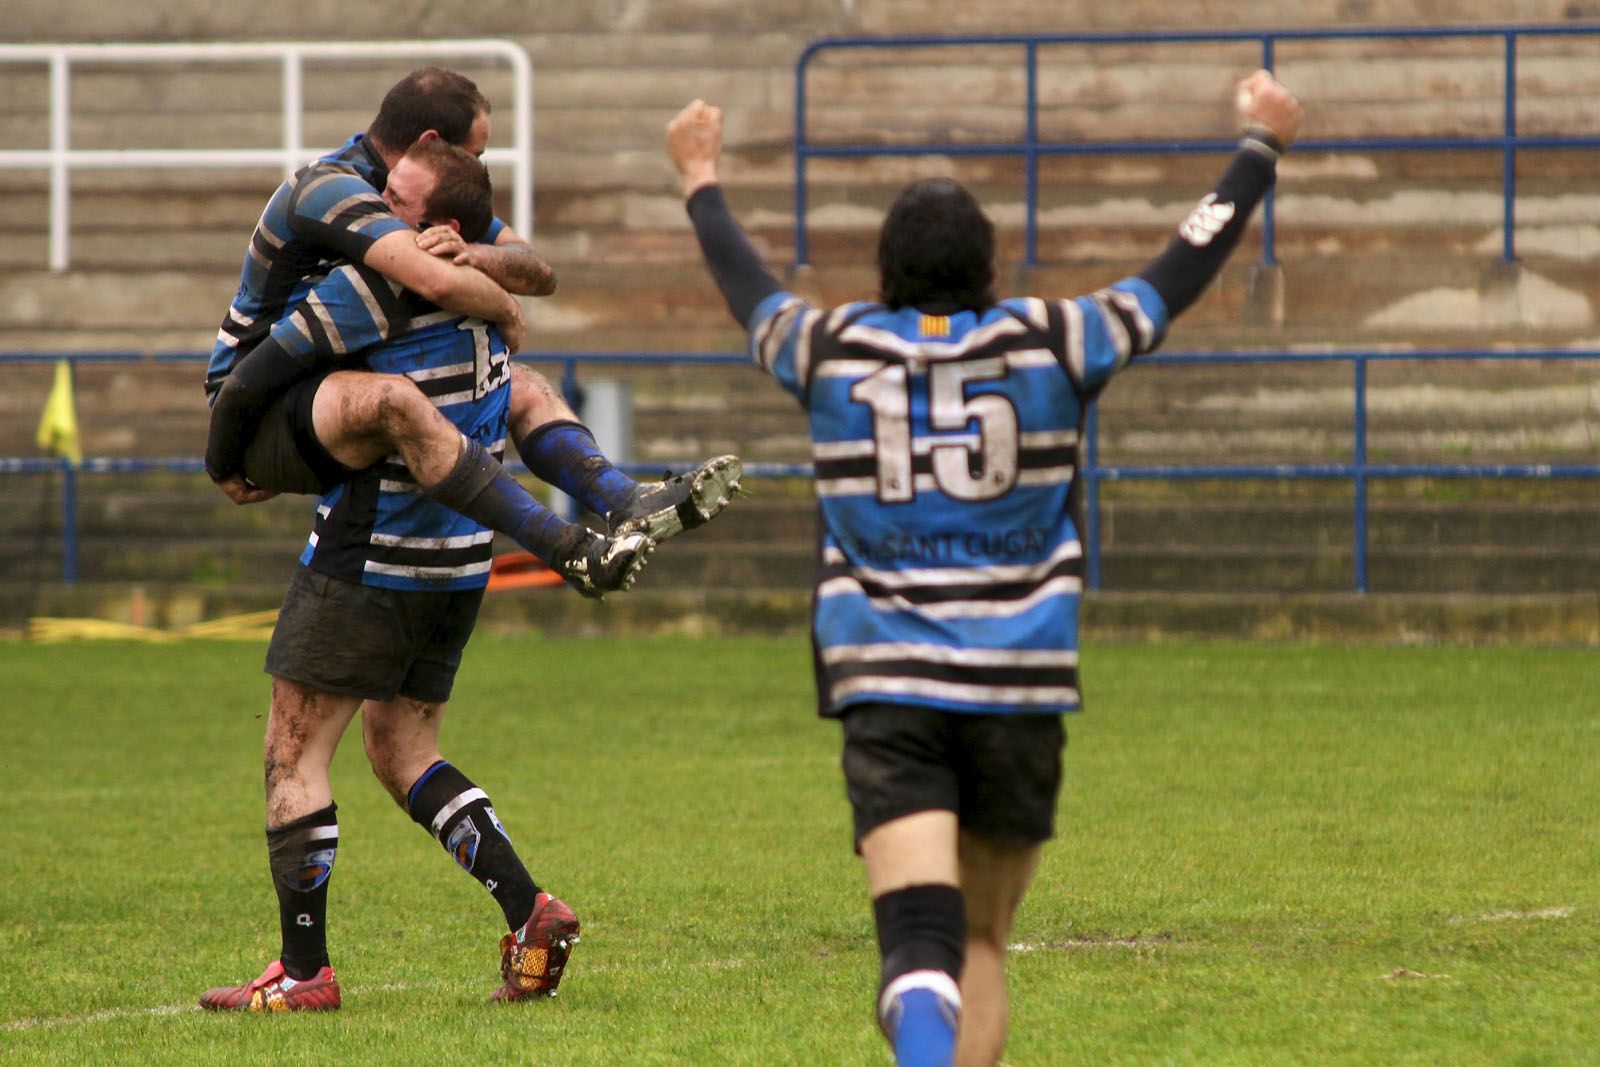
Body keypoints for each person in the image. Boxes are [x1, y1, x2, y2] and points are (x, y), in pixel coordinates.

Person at [666, 70, 1303, 1067]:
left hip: (887, 684)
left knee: (916, 944)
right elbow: (1181, 265)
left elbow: (748, 291)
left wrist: (700, 177)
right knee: (980, 939)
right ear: (989, 265)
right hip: (1019, 683)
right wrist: (1257, 149)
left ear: (883, 269)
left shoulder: (831, 347)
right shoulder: (1055, 338)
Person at [201, 141, 589, 1013]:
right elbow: (521, 289)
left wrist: (231, 448)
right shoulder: (478, 298)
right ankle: (532, 911)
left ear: (443, 228)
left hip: (372, 551)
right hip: (457, 562)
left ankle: (305, 974)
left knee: (292, 753)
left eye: (395, 198)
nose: (375, 206)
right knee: (404, 750)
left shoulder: (384, 286)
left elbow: (284, 371)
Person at [203, 66, 742, 597]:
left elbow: (537, 268)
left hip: (331, 373)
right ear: (432, 142)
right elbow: (434, 278)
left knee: (518, 384)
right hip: (258, 399)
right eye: (476, 153)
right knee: (398, 399)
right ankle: (568, 548)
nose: (477, 166)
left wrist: (477, 252)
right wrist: (506, 310)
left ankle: (628, 503)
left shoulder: (426, 190)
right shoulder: (333, 188)